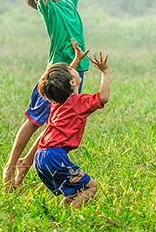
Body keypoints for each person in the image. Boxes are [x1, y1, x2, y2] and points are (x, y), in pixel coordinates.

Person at [2, 0, 117, 190]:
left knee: (57, 122)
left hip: (77, 71)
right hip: (56, 73)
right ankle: (11, 166)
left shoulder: (68, 2)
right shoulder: (49, 10)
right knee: (33, 121)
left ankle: (26, 166)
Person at [34, 50, 110, 208]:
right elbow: (103, 97)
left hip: (40, 157)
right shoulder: (78, 103)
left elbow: (60, 81)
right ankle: (71, 218)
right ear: (72, 83)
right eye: (72, 69)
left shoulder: (57, 101)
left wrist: (76, 60)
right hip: (55, 157)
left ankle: (62, 214)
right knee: (91, 187)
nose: (74, 69)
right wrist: (105, 72)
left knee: (74, 191)